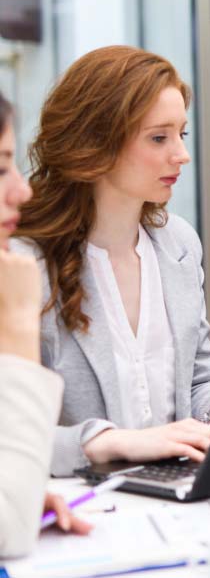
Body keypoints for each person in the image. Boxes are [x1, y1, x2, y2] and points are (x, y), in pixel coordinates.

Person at [13, 47, 210, 477]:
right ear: (96, 143)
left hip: (177, 486)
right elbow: (12, 433)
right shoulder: (26, 266)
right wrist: (108, 442)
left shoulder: (180, 244)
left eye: (182, 134)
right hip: (82, 498)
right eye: (159, 138)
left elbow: (201, 377)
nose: (182, 155)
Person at [0, 92, 91, 557]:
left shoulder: (178, 245)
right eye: (1, 169)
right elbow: (11, 533)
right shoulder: (25, 274)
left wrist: (17, 492)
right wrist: (18, 323)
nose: (22, 191)